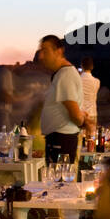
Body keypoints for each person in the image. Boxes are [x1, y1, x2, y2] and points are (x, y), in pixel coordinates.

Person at [37, 35, 89, 163]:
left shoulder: (65, 75)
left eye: (45, 51)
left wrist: (83, 120)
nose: (41, 56)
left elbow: (75, 115)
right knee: (57, 181)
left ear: (59, 51)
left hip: (61, 141)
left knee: (59, 181)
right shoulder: (61, 74)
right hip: (59, 140)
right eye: (40, 51)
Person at [79, 56, 101, 123]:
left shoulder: (77, 80)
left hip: (80, 114)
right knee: (92, 133)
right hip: (92, 113)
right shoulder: (97, 81)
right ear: (92, 67)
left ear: (82, 66)